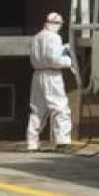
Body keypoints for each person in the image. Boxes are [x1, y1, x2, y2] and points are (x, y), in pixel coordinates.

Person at [26, 12, 74, 152]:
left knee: (37, 110)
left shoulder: (36, 37)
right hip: (52, 76)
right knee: (60, 107)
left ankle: (32, 143)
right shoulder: (54, 38)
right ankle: (62, 142)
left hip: (37, 75)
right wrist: (69, 61)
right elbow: (55, 60)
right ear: (56, 24)